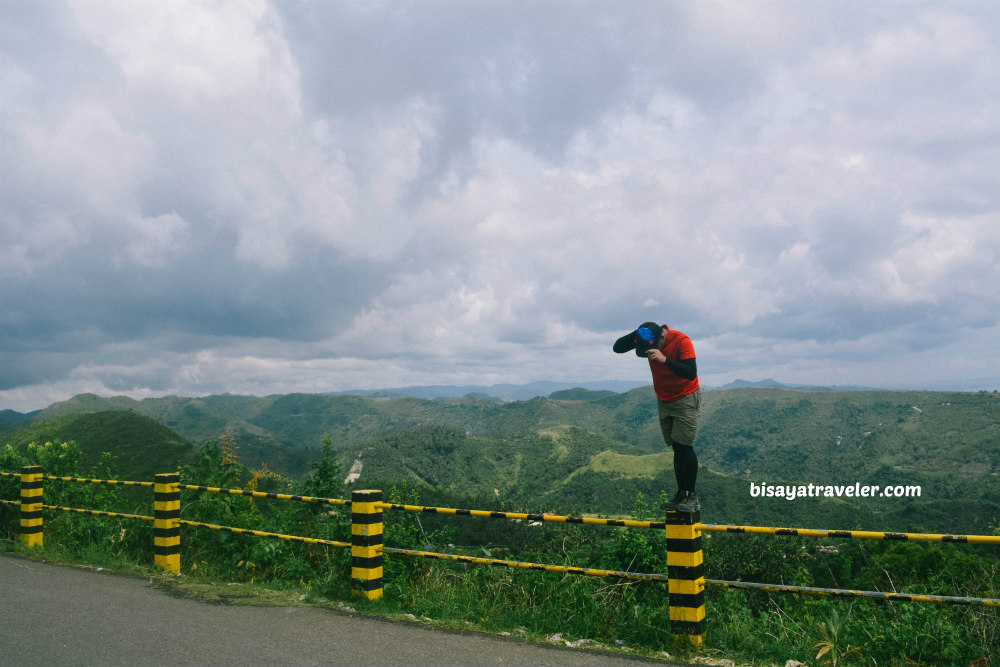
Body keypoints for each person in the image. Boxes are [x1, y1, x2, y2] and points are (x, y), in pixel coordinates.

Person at [614, 321, 702, 512]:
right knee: (676, 447)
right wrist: (636, 335)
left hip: (685, 397)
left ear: (662, 337)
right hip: (664, 399)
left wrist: (665, 360)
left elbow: (691, 372)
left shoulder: (682, 341)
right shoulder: (647, 335)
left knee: (685, 446)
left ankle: (692, 496)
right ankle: (680, 495)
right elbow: (617, 348)